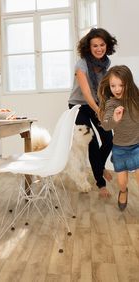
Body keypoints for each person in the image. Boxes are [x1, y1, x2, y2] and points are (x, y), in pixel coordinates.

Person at [68, 28, 118, 197]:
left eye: (102, 45)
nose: (98, 49)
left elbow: (103, 89)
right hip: (79, 105)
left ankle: (100, 167)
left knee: (109, 139)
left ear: (107, 45)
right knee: (92, 142)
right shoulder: (81, 64)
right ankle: (100, 183)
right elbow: (87, 93)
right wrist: (99, 111)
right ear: (88, 47)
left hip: (97, 103)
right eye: (95, 45)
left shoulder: (107, 62)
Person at [98, 65, 139, 210]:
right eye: (113, 85)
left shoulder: (136, 99)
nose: (117, 89)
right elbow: (106, 125)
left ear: (129, 82)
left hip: (137, 146)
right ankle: (123, 191)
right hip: (120, 149)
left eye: (121, 85)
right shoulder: (111, 103)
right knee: (122, 182)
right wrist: (114, 118)